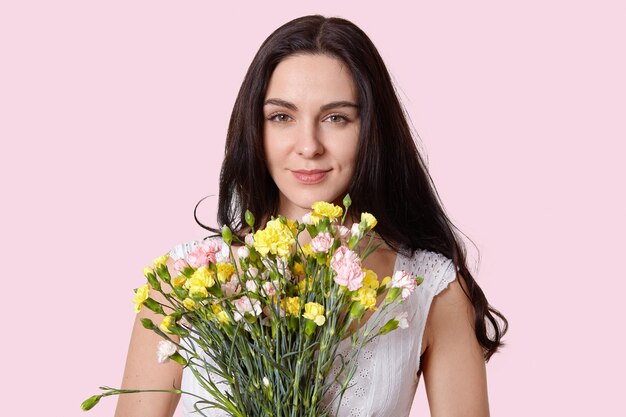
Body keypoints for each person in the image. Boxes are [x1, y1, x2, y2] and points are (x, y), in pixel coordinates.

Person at [115, 15, 507, 417]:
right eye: (282, 117)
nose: (308, 146)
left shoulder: (431, 290)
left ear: (372, 129)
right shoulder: (182, 285)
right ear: (255, 128)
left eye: (336, 118)